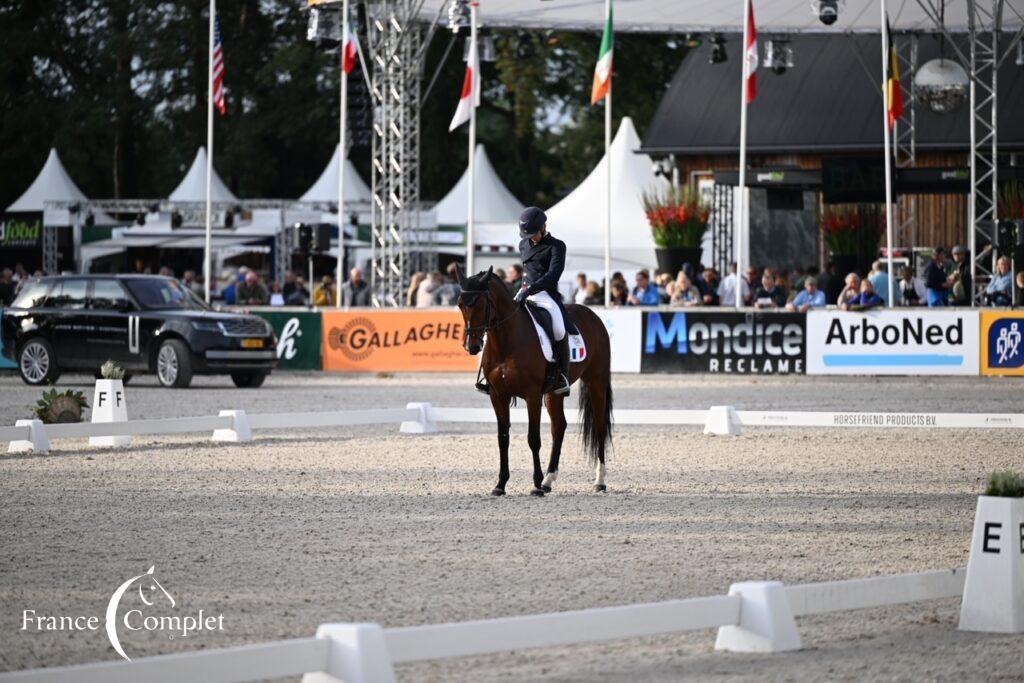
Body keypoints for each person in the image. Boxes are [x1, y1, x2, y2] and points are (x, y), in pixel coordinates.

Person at [513, 206, 571, 395]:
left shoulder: (557, 246)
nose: (531, 238)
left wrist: (530, 289)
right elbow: (526, 273)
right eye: (528, 235)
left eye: (534, 234)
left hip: (545, 293)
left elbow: (553, 275)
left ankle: (563, 375)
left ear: (544, 227)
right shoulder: (523, 245)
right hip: (523, 292)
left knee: (559, 328)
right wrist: (522, 290)